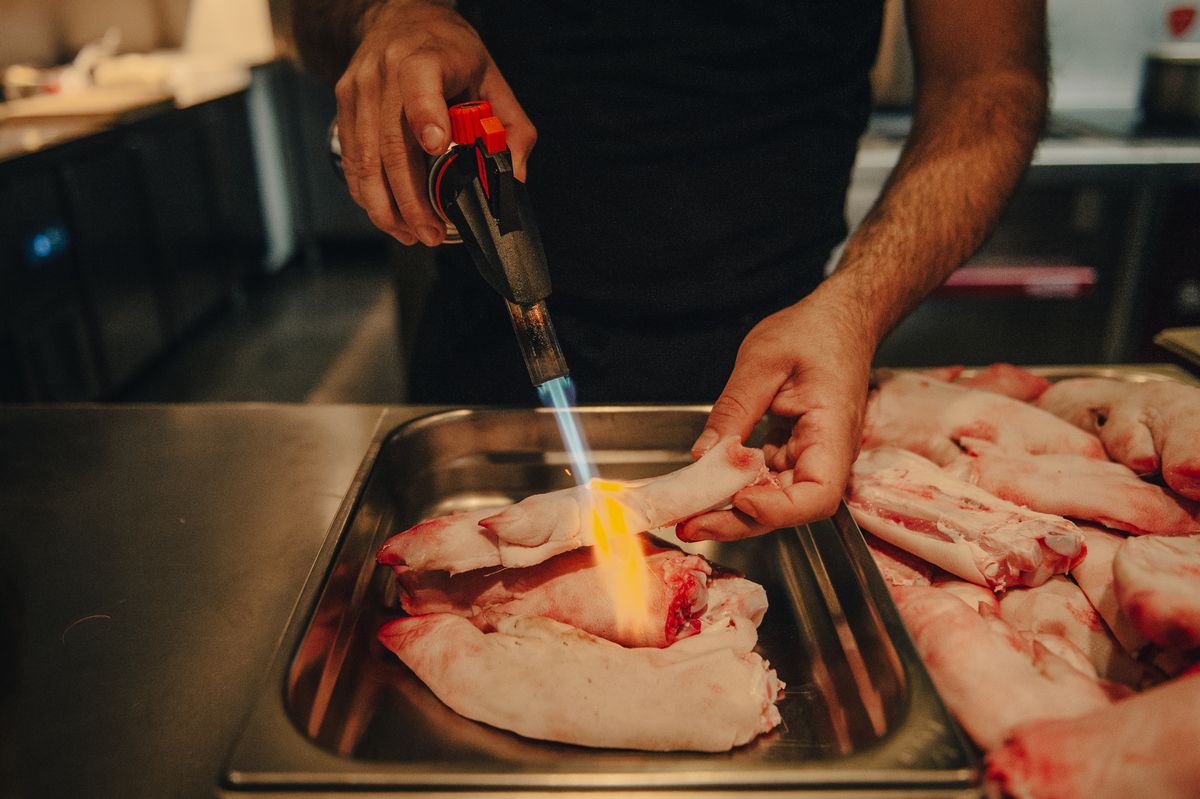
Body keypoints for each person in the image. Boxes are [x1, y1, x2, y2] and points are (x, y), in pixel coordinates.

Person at [290, 0, 1048, 541]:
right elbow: (314, 14)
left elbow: (989, 82)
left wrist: (856, 304)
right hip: (488, 351)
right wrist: (387, 13)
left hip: (779, 359)